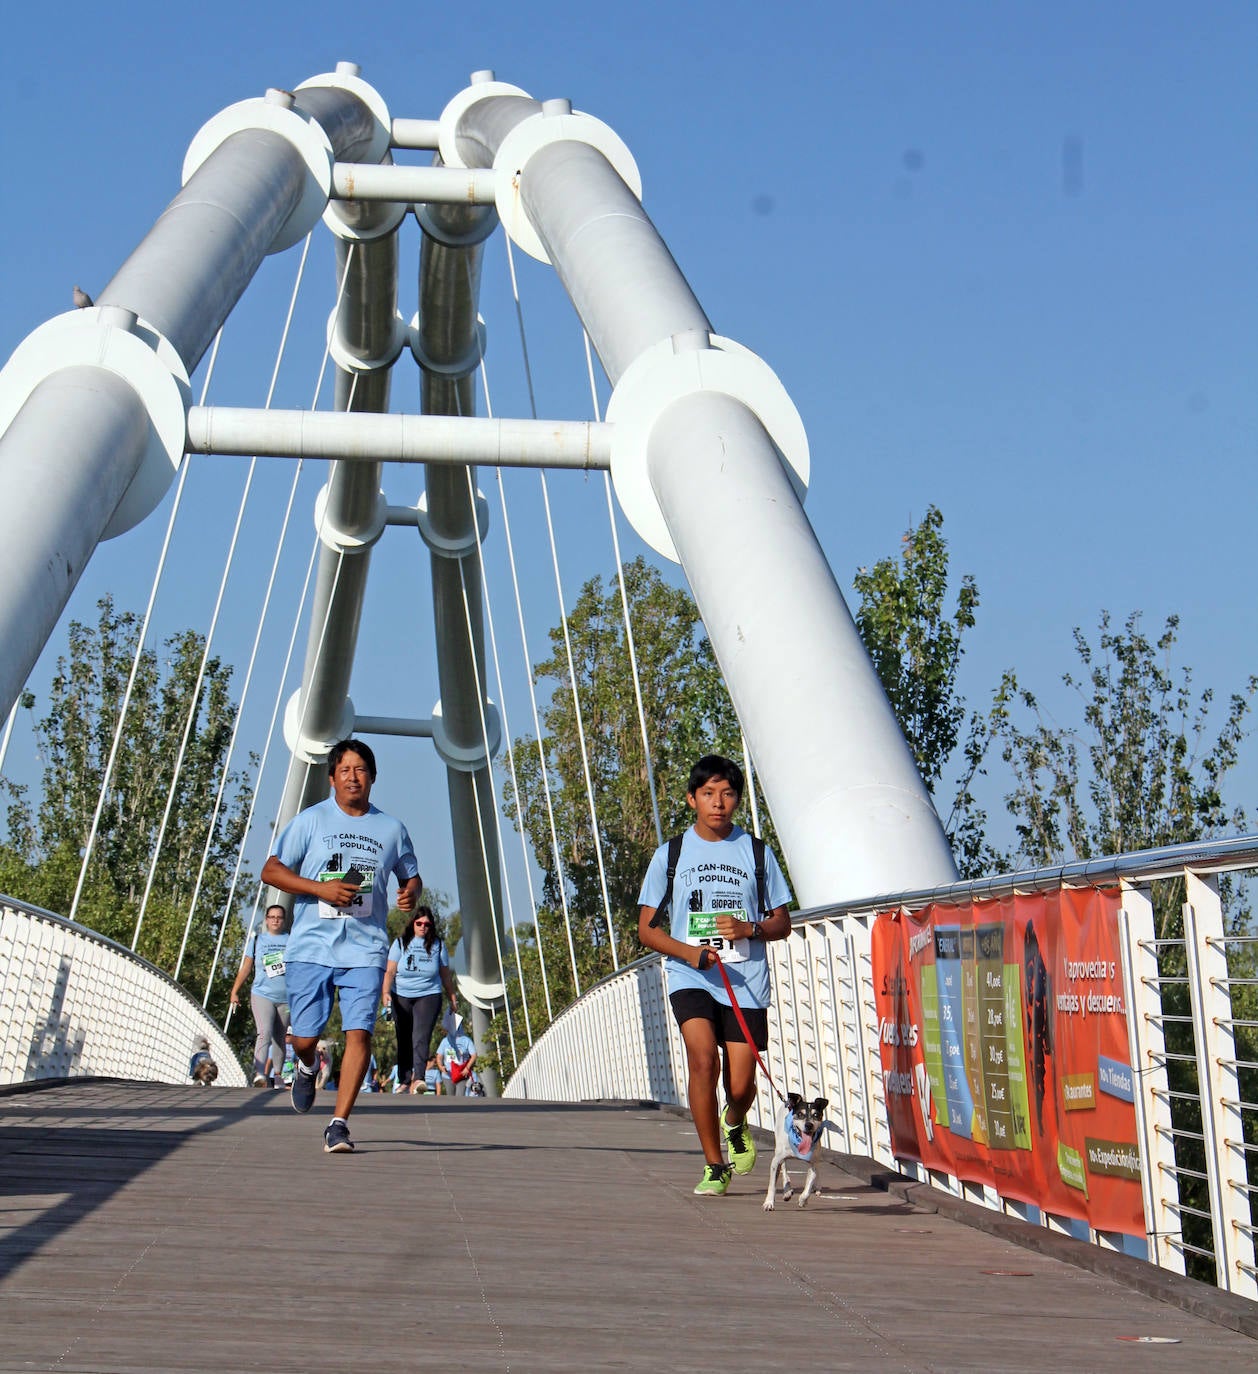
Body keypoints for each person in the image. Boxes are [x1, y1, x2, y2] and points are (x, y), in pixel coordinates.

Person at [637, 754, 792, 1197]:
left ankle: (735, 1120)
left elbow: (783, 922)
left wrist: (752, 929)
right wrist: (690, 953)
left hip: (745, 978)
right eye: (708, 794)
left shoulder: (757, 852)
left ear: (738, 800)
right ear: (692, 800)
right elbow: (646, 930)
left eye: (727, 794)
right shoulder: (672, 854)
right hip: (691, 974)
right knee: (703, 1058)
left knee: (741, 1085)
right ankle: (713, 1164)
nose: (718, 803)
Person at [260, 738, 421, 1153]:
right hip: (311, 948)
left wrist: (410, 894)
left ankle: (338, 1123)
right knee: (304, 1038)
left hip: (365, 950)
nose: (353, 777)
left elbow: (410, 874)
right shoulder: (310, 821)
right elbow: (271, 870)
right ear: (332, 778)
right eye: (345, 770)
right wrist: (321, 890)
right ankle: (308, 1065)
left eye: (361, 769)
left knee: (359, 1033)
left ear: (373, 778)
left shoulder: (391, 828)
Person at [382, 906, 458, 1091]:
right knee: (404, 1036)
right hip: (401, 995)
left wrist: (452, 996)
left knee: (420, 1037)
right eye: (419, 923)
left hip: (428, 994)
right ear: (413, 924)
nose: (423, 927)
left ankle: (419, 1078)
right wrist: (385, 993)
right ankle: (405, 1079)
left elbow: (445, 975)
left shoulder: (438, 945)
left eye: (427, 924)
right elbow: (390, 971)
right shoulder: (401, 943)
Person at [229, 904, 289, 1087]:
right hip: (262, 993)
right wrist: (234, 991)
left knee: (280, 1037)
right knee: (264, 1032)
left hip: (286, 997)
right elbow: (246, 967)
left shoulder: (292, 941)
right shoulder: (257, 941)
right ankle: (260, 1074)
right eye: (272, 917)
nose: (275, 920)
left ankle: (278, 1076)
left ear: (284, 921)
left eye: (279, 917)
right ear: (266, 920)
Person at [437, 1016, 478, 1097]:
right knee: (450, 1097)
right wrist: (441, 1066)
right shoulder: (445, 1041)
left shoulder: (466, 1040)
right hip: (448, 1075)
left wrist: (467, 1068)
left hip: (462, 1073)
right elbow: (439, 1056)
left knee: (460, 1096)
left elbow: (474, 1055)